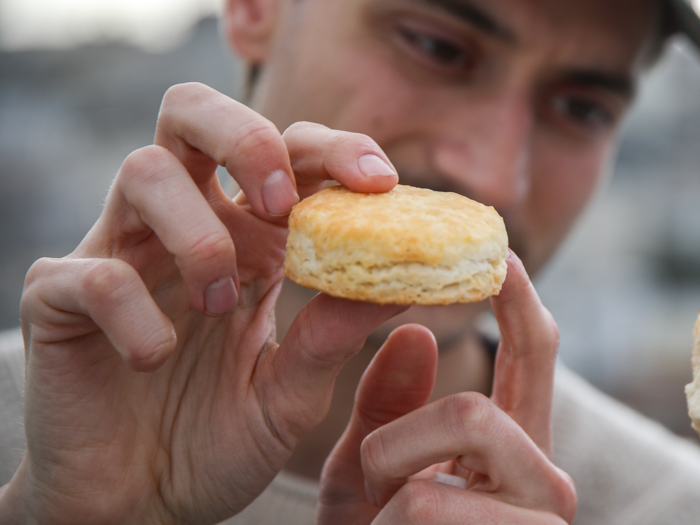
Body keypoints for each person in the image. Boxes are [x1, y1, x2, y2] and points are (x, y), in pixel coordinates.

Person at [1, 0, 700, 523]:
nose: (493, 177)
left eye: (581, 107)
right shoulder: (31, 434)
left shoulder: (670, 504)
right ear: (256, 9)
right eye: (435, 45)